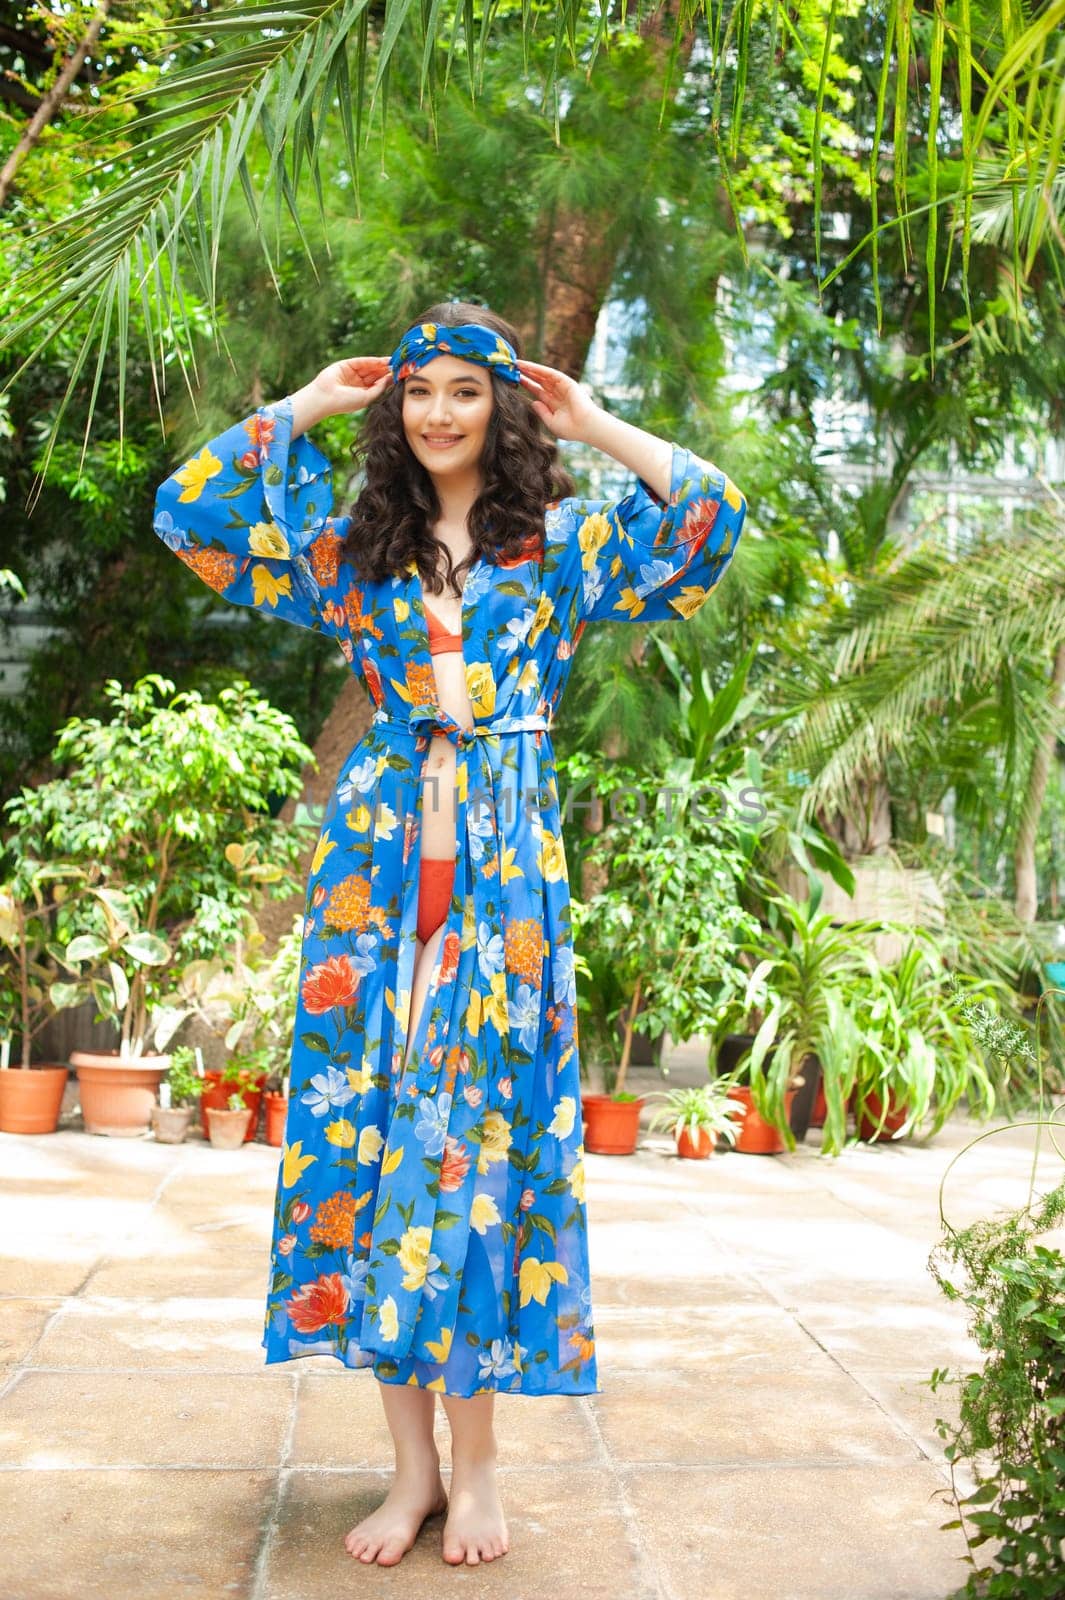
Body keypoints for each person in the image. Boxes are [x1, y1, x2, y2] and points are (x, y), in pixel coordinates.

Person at [152, 300, 747, 1568]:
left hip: (503, 882)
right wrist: (306, 402)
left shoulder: (565, 547)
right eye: (416, 393)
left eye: (464, 394)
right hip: (374, 876)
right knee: (368, 1148)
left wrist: (593, 420)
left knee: (468, 1155)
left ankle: (478, 1471)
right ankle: (410, 1469)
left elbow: (709, 518)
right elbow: (189, 513)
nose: (436, 414)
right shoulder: (356, 550)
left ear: (502, 407)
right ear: (395, 406)